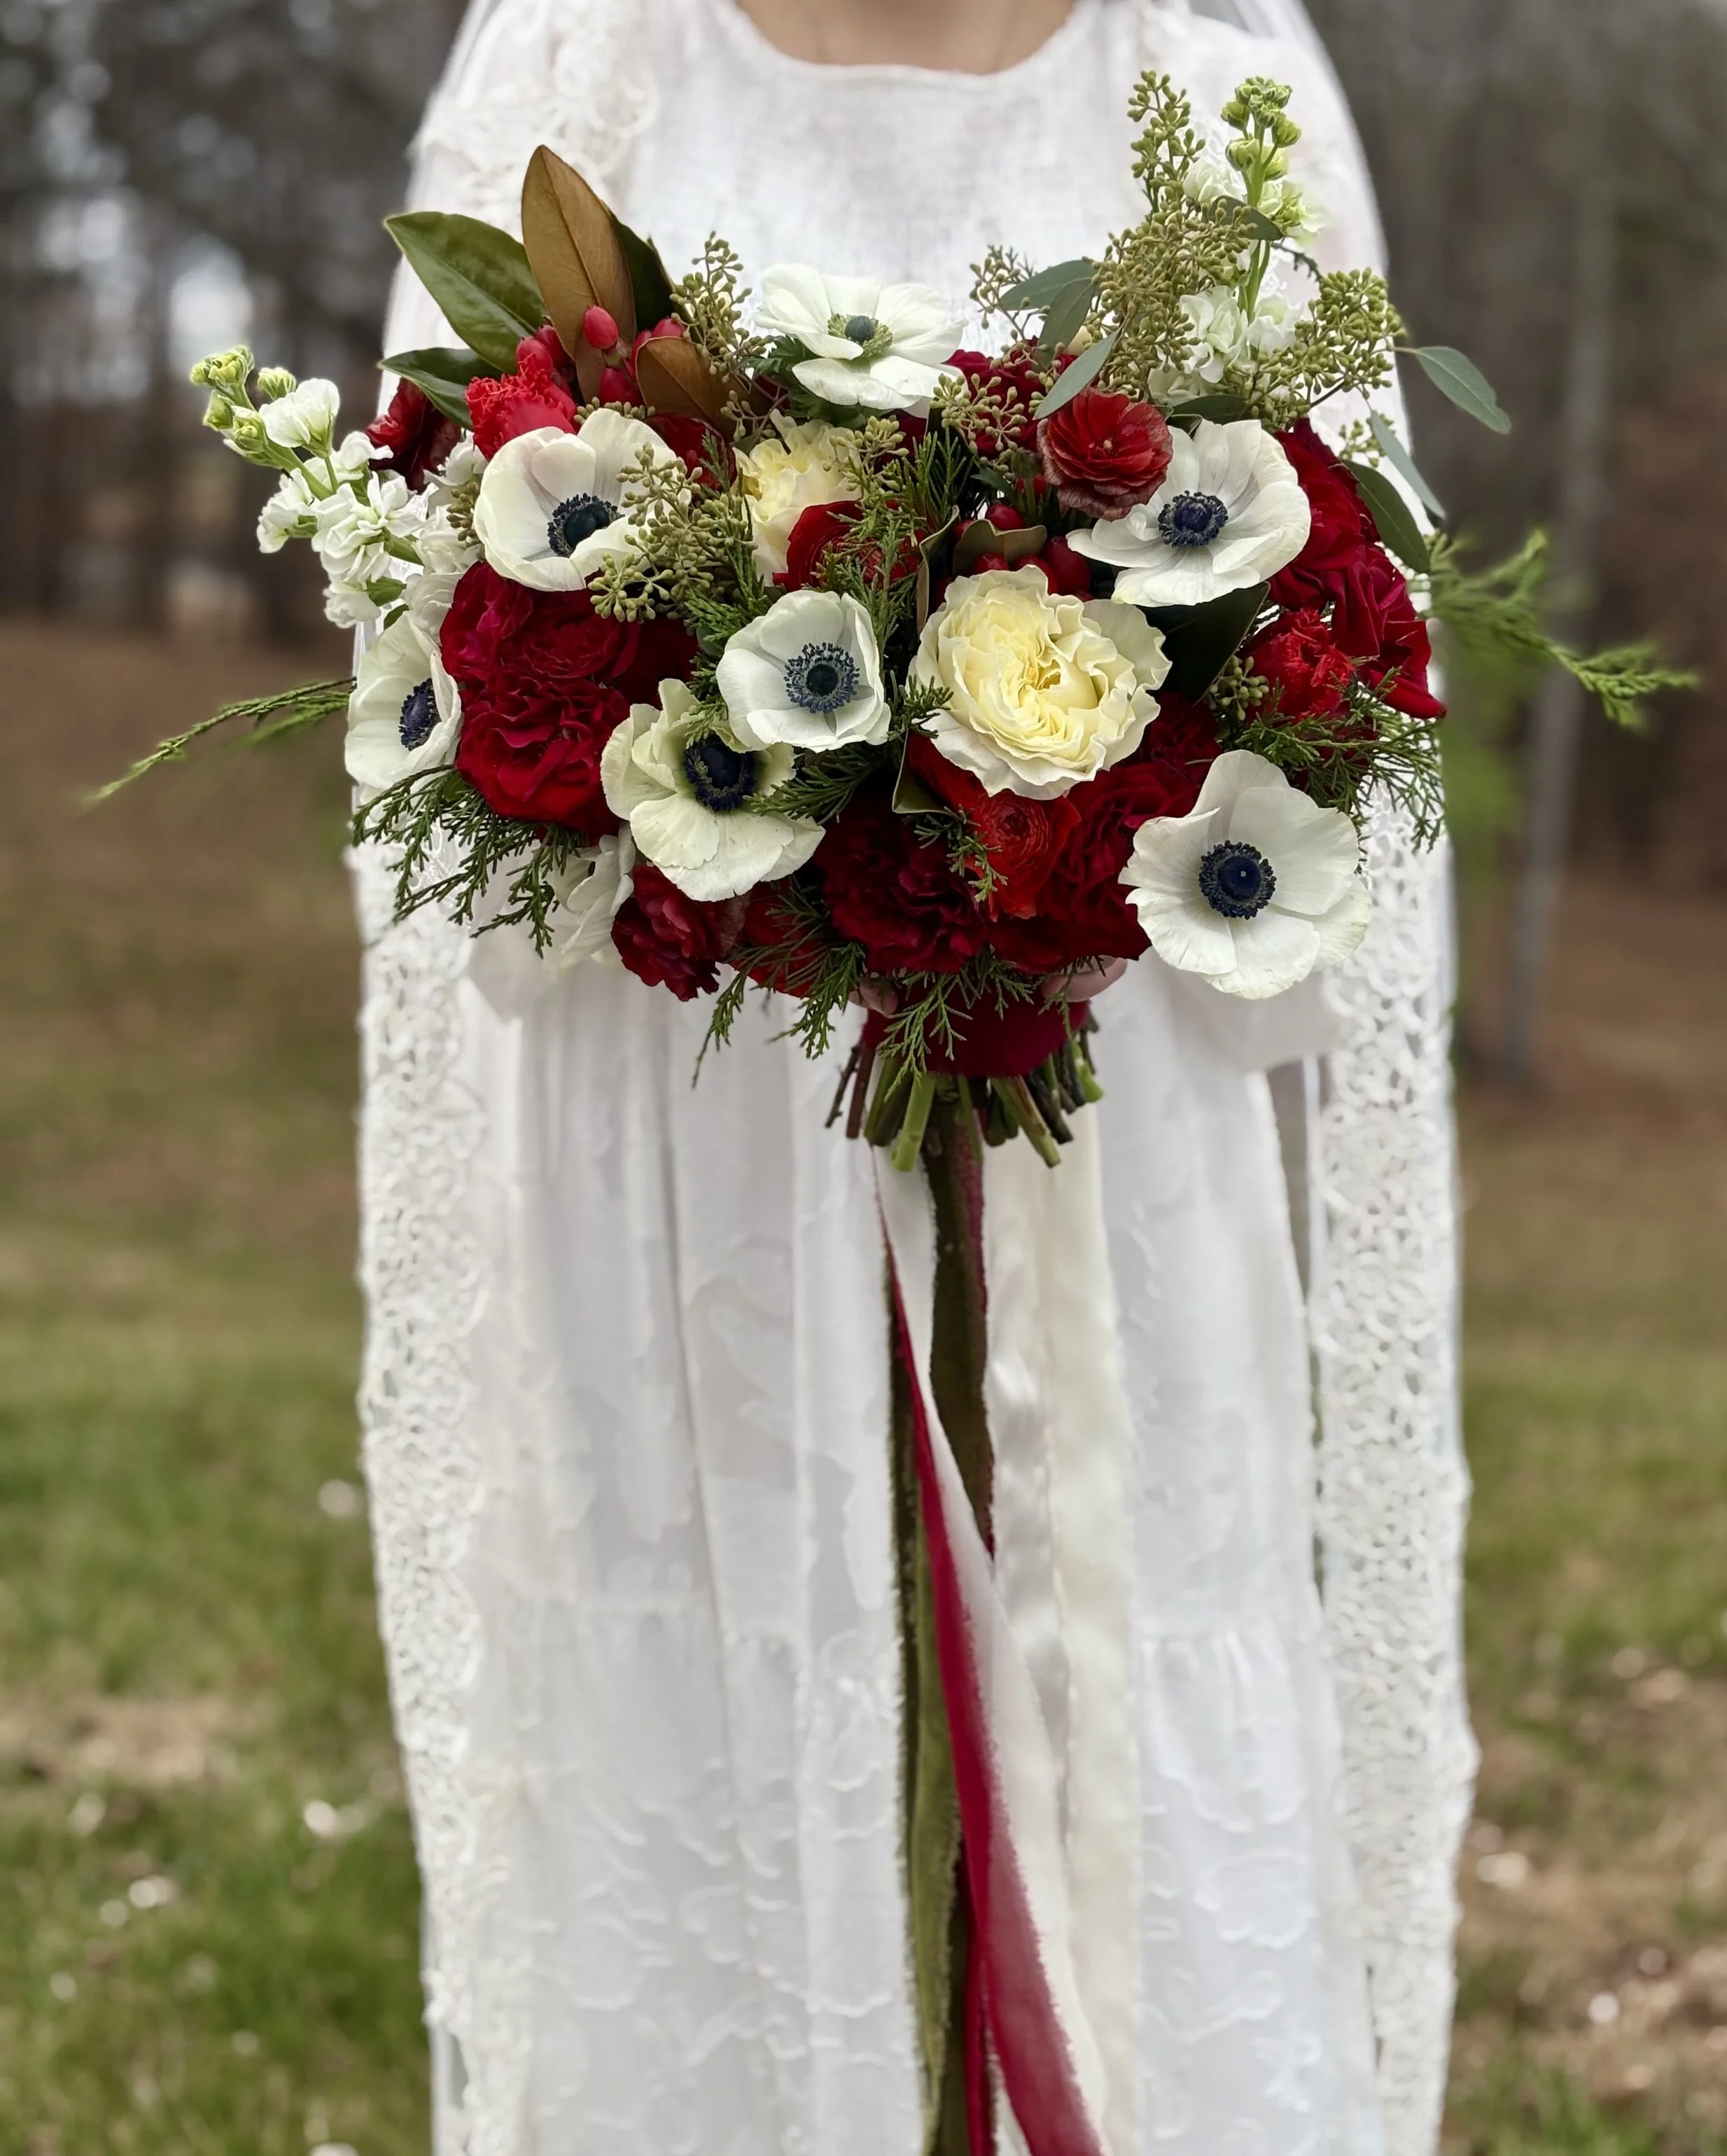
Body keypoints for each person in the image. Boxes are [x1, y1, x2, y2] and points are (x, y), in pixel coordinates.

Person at [354, 2, 1475, 2150]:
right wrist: (753, 818)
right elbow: (431, 620)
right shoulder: (578, 70)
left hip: (1103, 1110)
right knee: (712, 1730)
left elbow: (1352, 647)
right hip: (691, 1119)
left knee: (1126, 1711)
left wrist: (1056, 827)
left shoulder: (1226, 81)